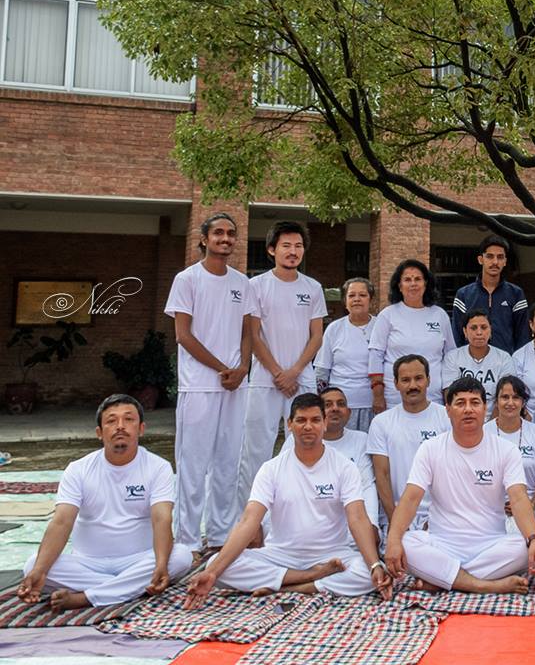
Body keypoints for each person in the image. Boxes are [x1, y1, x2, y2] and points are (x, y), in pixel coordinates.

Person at [184, 394, 391, 605]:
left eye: (315, 420)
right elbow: (249, 521)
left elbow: (357, 518)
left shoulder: (344, 467)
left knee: (367, 573)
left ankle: (292, 586)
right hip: (280, 555)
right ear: (290, 424)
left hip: (331, 554)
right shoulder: (271, 469)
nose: (308, 426)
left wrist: (374, 565)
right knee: (217, 565)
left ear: (324, 423)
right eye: (301, 420)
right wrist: (212, 572)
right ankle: (313, 577)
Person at [18, 395, 191, 611]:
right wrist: (39, 570)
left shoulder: (158, 467)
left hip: (140, 559)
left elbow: (162, 519)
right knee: (32, 566)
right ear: (99, 433)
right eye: (111, 420)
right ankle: (128, 588)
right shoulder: (78, 469)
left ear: (141, 429)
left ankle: (86, 597)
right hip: (89, 563)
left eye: (129, 419)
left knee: (181, 556)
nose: (120, 426)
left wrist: (161, 564)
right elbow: (62, 522)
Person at [385, 377, 535, 593]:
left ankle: (443, 579)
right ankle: (483, 585)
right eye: (460, 403)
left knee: (523, 547)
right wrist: (393, 540)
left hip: (490, 545)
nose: (468, 409)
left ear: (485, 408)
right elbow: (411, 498)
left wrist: (534, 539)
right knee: (405, 542)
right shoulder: (430, 448)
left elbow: (518, 498)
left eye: (475, 402)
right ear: (448, 410)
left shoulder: (506, 450)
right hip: (442, 543)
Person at [164, 212, 251, 554]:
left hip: (235, 386)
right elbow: (183, 335)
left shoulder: (242, 282)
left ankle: (219, 535)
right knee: (193, 465)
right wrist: (222, 368)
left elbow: (247, 332)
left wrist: (242, 368)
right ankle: (186, 540)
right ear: (204, 239)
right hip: (199, 386)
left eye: (231, 233)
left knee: (228, 463)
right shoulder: (187, 279)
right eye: (218, 233)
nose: (225, 238)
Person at [237, 221, 327, 519]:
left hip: (301, 381)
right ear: (272, 250)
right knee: (255, 450)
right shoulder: (256, 286)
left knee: (304, 444)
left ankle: (296, 514)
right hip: (265, 380)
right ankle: (250, 521)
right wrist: (278, 372)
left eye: (298, 246)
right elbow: (253, 334)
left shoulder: (312, 288)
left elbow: (317, 336)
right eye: (286, 245)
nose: (293, 251)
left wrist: (295, 371)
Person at [366, 355, 452, 534]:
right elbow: (382, 475)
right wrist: (396, 522)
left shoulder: (448, 417)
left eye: (418, 378)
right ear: (395, 384)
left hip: (442, 518)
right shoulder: (381, 423)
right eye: (405, 380)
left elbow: (455, 470)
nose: (413, 385)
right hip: (397, 517)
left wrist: (439, 518)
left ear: (429, 380)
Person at [281, 386, 379, 530]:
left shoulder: (360, 440)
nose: (335, 408)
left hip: (351, 525)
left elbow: (367, 486)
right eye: (328, 405)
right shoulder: (296, 439)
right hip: (303, 523)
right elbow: (281, 485)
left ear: (349, 413)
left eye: (341, 404)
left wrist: (372, 524)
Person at [369, 260, 456, 411]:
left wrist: (449, 394)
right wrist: (378, 395)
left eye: (418, 279)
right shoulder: (387, 315)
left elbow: (450, 357)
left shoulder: (440, 315)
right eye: (407, 280)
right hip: (395, 399)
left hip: (433, 398)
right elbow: (375, 355)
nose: (413, 284)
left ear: (426, 283)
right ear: (399, 286)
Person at [491, 377, 535, 534]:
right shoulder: (484, 433)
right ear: (496, 401)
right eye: (505, 397)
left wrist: (529, 505)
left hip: (532, 505)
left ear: (523, 402)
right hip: (492, 508)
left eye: (516, 397)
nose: (510, 403)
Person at [315, 278, 376, 433]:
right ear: (345, 301)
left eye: (362, 295)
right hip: (339, 407)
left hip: (374, 405)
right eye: (351, 295)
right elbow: (322, 371)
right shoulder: (334, 329)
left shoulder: (381, 326)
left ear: (371, 299)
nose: (357, 299)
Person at [451, 235, 530, 354]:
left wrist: (516, 361)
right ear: (480, 259)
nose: (495, 262)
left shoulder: (516, 294)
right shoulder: (464, 294)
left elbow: (522, 335)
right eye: (490, 256)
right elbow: (457, 335)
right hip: (471, 361)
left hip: (506, 361)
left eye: (500, 257)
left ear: (505, 261)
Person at [442, 310, 516, 415]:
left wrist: (492, 422)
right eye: (473, 328)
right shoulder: (452, 357)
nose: (479, 332)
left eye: (484, 327)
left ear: (490, 330)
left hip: (495, 419)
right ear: (465, 331)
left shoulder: (504, 358)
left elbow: (506, 394)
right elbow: (449, 394)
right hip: (462, 416)